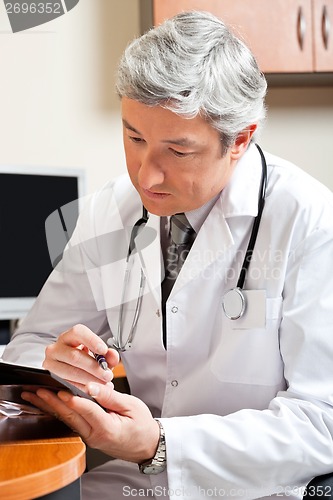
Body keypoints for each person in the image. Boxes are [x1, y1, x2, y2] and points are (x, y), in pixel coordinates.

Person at [3, 10, 333, 500]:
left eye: (178, 152)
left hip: (255, 488)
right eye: (134, 138)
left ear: (241, 138)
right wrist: (57, 366)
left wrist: (160, 443)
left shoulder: (308, 220)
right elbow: (26, 349)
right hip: (128, 484)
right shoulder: (112, 212)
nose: (146, 177)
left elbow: (322, 422)